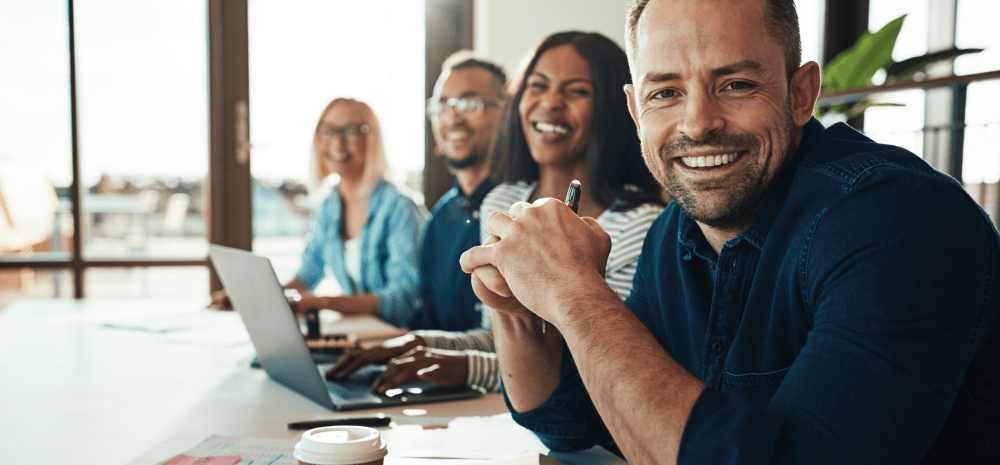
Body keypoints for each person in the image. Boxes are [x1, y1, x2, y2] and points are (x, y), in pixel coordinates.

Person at [460, 0, 1000, 463]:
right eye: (665, 93)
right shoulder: (674, 232)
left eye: (736, 84)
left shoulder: (897, 220)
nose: (698, 123)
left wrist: (576, 294)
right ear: (634, 109)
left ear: (800, 93)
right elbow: (580, 422)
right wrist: (520, 309)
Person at [333, 31, 665, 396]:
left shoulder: (642, 226)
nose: (550, 102)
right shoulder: (501, 201)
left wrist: (466, 368)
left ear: (612, 109)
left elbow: (598, 362)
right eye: (537, 86)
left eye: (575, 91)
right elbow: (498, 337)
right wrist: (413, 343)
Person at [327, 51, 507, 382]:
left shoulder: (519, 209)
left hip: (490, 390)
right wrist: (387, 348)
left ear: (507, 113)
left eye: (470, 104)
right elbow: (426, 315)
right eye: (441, 106)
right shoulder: (443, 216)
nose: (452, 117)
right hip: (440, 384)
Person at [211, 98, 424, 328]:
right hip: (363, 334)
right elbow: (307, 275)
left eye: (351, 132)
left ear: (372, 140)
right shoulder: (329, 205)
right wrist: (253, 298)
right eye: (328, 131)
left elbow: (402, 302)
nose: (337, 143)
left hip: (404, 340)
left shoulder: (400, 208)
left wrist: (320, 303)